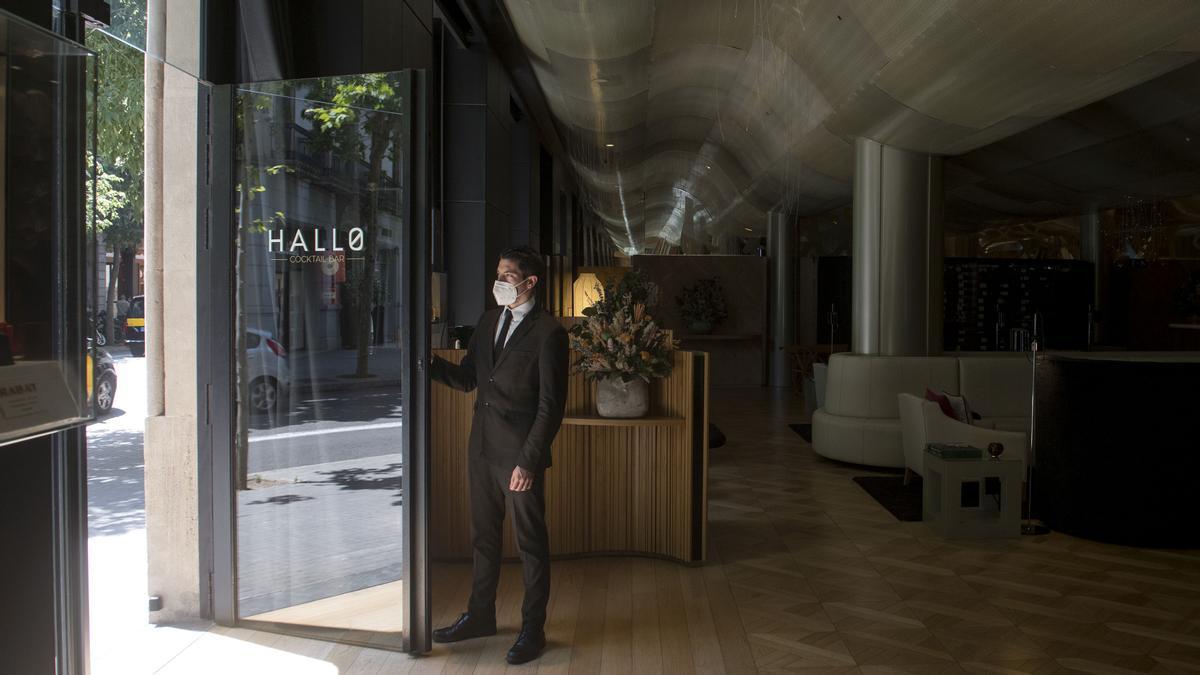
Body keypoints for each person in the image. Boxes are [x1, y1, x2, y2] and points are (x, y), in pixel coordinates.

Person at [429, 246, 568, 665]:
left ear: (530, 283)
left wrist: (528, 460)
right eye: (498, 274)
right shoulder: (489, 321)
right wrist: (429, 363)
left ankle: (532, 629)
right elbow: (471, 378)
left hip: (518, 457)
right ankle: (480, 615)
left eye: (508, 276)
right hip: (482, 449)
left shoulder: (549, 333)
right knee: (483, 539)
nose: (500, 282)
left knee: (530, 543)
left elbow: (550, 406)